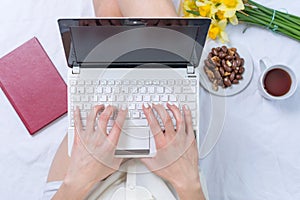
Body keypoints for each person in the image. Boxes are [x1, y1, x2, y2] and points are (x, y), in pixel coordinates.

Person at [43, 0, 208, 199]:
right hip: (174, 188)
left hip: (83, 188)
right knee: (164, 57)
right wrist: (187, 182)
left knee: (107, 33)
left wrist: (81, 177)